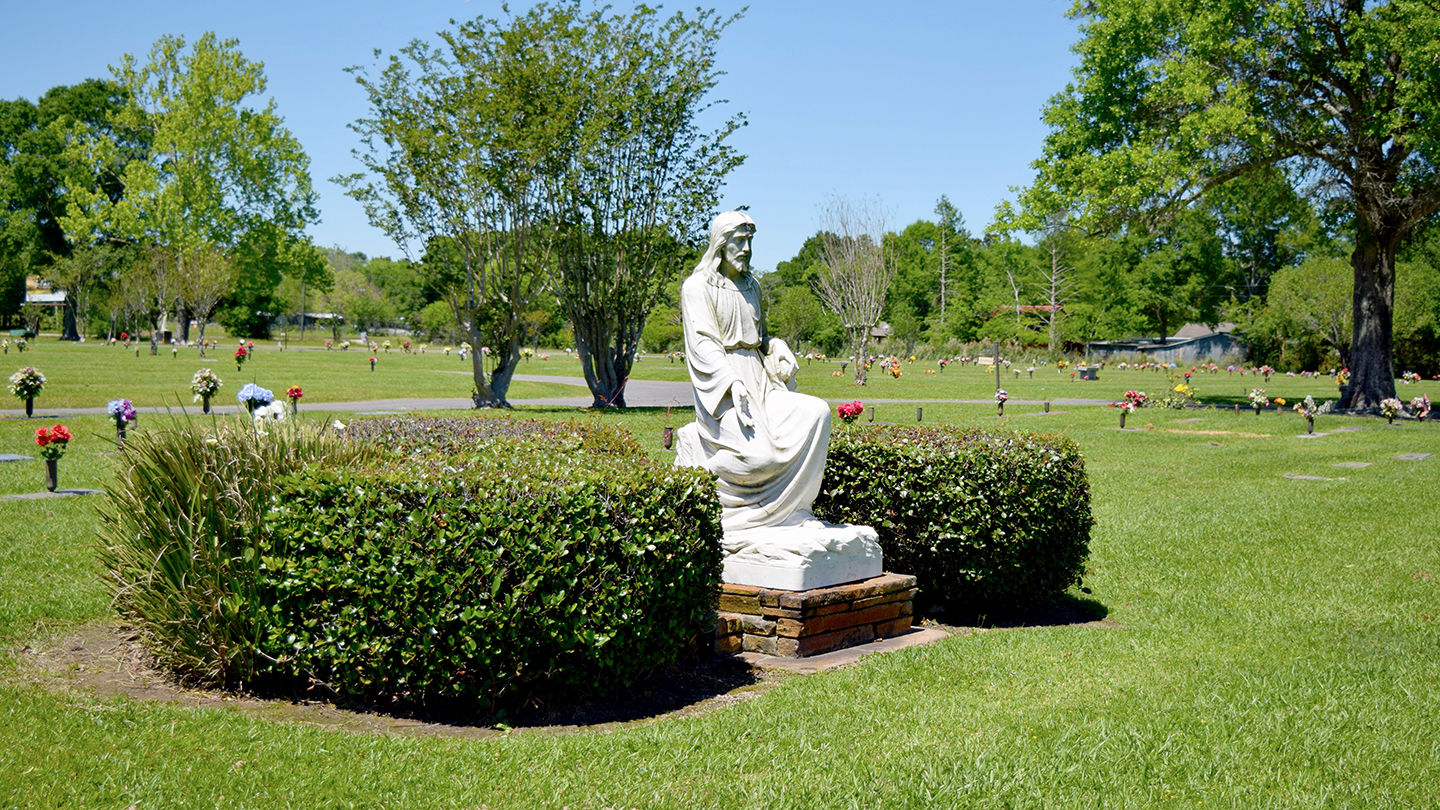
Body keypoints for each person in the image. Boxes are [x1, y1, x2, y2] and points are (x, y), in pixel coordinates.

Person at [675, 211, 832, 532]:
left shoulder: (752, 286)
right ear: (721, 243)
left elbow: (760, 339)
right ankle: (701, 479)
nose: (746, 248)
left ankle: (796, 510)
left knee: (817, 413)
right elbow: (703, 344)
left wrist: (777, 346)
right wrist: (731, 382)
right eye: (739, 240)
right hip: (723, 390)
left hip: (762, 383)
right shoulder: (698, 287)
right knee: (761, 457)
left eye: (750, 240)